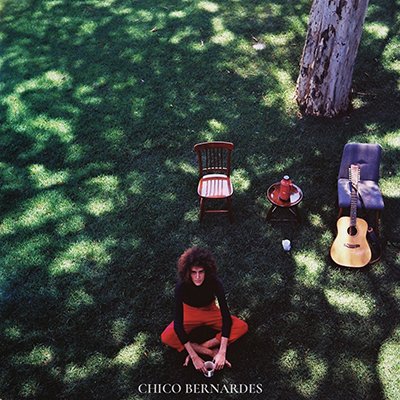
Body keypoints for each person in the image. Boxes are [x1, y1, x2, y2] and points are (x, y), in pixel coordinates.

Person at [161, 247, 248, 373]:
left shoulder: (215, 282)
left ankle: (201, 347)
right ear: (188, 272)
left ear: (206, 271)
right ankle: (208, 351)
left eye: (201, 272)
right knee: (167, 337)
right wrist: (195, 356)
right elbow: (178, 325)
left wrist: (222, 352)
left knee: (241, 327)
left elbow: (226, 317)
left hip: (210, 311)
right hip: (189, 312)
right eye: (193, 272)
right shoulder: (181, 286)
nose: (197, 277)